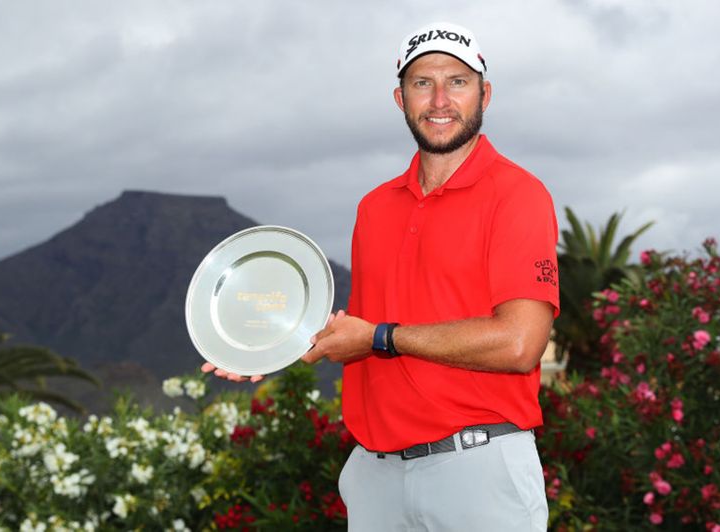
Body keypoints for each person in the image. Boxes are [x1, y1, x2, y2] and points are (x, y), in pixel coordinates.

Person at [203, 21, 559, 531]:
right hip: (376, 479)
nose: (440, 99)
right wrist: (265, 342)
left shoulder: (518, 195)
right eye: (422, 83)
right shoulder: (375, 208)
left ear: (485, 92)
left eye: (457, 81)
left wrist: (380, 337)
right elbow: (361, 336)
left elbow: (520, 343)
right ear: (400, 98)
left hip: (478, 473)